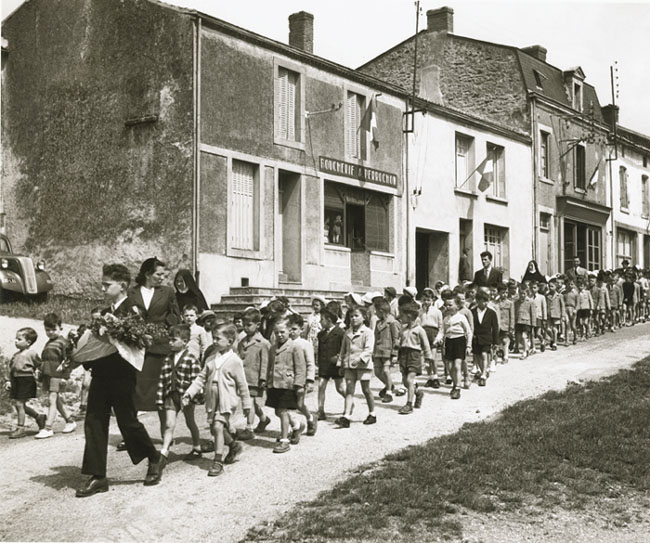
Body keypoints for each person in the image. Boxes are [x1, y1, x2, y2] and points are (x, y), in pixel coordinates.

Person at [74, 264, 163, 497]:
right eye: (102, 284)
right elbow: (98, 344)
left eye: (106, 285)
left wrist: (112, 330)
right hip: (101, 374)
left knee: (127, 422)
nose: (102, 288)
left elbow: (138, 342)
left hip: (122, 376)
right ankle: (98, 476)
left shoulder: (132, 310)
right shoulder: (104, 313)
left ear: (122, 286)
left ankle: (154, 457)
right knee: (93, 422)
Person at [183, 323, 250, 476]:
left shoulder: (234, 361)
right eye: (213, 338)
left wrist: (246, 404)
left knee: (218, 427)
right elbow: (201, 378)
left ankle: (217, 461)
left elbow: (242, 384)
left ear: (230, 341)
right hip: (212, 399)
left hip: (227, 400)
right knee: (214, 427)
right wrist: (189, 393)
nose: (214, 341)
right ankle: (233, 445)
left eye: (218, 338)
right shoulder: (211, 359)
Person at [129, 257, 180, 437]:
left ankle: (165, 434)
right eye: (158, 274)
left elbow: (175, 317)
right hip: (138, 348)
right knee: (135, 392)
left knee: (162, 392)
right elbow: (126, 317)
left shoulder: (167, 292)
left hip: (160, 348)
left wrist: (164, 331)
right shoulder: (132, 293)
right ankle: (131, 436)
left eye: (163, 275)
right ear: (147, 274)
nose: (162, 278)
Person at [156, 324, 203, 465]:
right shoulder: (166, 359)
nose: (170, 343)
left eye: (173, 340)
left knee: (190, 422)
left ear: (185, 341)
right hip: (171, 396)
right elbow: (162, 380)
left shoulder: (191, 359)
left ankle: (197, 447)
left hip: (185, 396)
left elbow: (197, 381)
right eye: (169, 339)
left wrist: (191, 397)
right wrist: (159, 399)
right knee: (169, 424)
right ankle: (164, 452)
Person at [265, 319, 306, 453]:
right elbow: (270, 366)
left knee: (283, 411)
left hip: (287, 384)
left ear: (289, 331)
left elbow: (300, 367)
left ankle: (284, 440)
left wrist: (299, 384)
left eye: (282, 332)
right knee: (277, 411)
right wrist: (266, 381)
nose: (280, 335)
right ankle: (296, 425)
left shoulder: (295, 347)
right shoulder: (272, 347)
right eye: (276, 333)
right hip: (274, 384)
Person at [36, 313, 76, 439]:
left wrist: (65, 376)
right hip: (48, 374)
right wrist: (41, 372)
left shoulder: (64, 343)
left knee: (52, 400)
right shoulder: (49, 343)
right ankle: (70, 421)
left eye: (54, 329)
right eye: (48, 330)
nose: (51, 332)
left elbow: (69, 360)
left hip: (57, 375)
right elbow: (46, 360)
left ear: (60, 328)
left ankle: (48, 428)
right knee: (56, 401)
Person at [335, 307, 376, 428]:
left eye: (356, 316)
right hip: (349, 365)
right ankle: (346, 416)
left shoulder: (368, 332)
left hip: (363, 365)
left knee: (366, 390)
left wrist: (360, 358)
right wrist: (341, 363)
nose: (353, 318)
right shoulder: (347, 332)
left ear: (364, 318)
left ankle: (372, 413)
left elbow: (369, 349)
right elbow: (343, 349)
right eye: (351, 316)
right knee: (349, 390)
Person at [4, 328, 46, 439]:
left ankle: (20, 428)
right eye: (15, 338)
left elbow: (40, 365)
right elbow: (10, 368)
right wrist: (8, 380)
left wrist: (41, 375)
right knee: (19, 404)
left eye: (19, 339)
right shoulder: (15, 355)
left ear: (28, 342)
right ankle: (38, 417)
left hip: (26, 380)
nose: (15, 341)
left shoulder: (31, 353)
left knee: (19, 403)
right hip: (16, 380)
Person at [237, 309, 272, 440]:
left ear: (257, 325)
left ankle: (249, 428)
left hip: (255, 378)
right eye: (244, 325)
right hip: (243, 377)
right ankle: (263, 419)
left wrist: (263, 378)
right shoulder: (242, 342)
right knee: (254, 404)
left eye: (249, 325)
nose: (245, 328)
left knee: (250, 402)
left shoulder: (263, 343)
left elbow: (265, 362)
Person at [434, 296, 472, 400]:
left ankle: (458, 388)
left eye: (450, 305)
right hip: (449, 342)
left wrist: (469, 345)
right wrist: (437, 339)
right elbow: (442, 331)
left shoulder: (461, 317)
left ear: (457, 306)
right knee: (449, 366)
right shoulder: (445, 318)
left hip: (459, 341)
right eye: (446, 305)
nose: (448, 307)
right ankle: (455, 384)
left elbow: (468, 332)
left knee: (457, 365)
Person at [396, 302, 431, 414]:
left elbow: (426, 345)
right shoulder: (403, 329)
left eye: (402, 315)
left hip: (414, 355)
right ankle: (418, 393)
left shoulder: (420, 330)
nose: (400, 317)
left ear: (409, 316)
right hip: (403, 355)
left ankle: (409, 404)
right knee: (405, 381)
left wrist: (427, 358)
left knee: (410, 380)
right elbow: (399, 342)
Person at [287, 314, 317, 436]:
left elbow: (310, 363)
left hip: (301, 379)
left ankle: (310, 418)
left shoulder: (304, 344)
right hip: (287, 379)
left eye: (294, 329)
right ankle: (293, 428)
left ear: (301, 329)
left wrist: (310, 380)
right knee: (286, 405)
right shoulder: (285, 343)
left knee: (299, 404)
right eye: (289, 329)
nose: (291, 332)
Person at [316, 309, 346, 419]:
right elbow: (319, 350)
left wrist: (339, 359)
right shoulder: (321, 334)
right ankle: (320, 410)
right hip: (324, 365)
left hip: (335, 365)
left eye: (322, 320)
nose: (320, 322)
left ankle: (349, 402)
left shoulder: (340, 333)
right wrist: (318, 362)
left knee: (340, 388)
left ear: (329, 320)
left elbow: (344, 349)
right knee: (321, 386)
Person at [373, 299, 401, 404]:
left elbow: (396, 339)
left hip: (387, 351)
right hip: (378, 351)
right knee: (377, 372)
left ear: (381, 311)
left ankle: (389, 392)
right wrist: (373, 351)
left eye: (376, 310)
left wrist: (395, 354)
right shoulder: (377, 323)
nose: (375, 313)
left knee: (385, 370)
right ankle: (390, 385)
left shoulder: (392, 322)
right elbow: (375, 337)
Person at [471, 290, 500, 387]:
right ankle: (483, 369)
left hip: (486, 337)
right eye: (483, 301)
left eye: (487, 301)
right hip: (476, 338)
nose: (486, 303)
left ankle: (483, 375)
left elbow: (495, 328)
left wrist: (495, 341)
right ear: (477, 301)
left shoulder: (491, 313)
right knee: (477, 355)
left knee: (484, 354)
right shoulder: (472, 312)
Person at [419, 288, 443, 388]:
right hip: (424, 334)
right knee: (427, 358)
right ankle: (430, 377)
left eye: (428, 300)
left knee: (433, 358)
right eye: (424, 299)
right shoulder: (420, 311)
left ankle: (436, 377)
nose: (426, 302)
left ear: (432, 300)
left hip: (433, 335)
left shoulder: (437, 312)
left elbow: (441, 327)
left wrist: (438, 338)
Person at [515, 284, 536, 359]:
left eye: (524, 293)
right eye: (521, 293)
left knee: (524, 336)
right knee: (519, 337)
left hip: (527, 322)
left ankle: (524, 352)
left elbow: (533, 313)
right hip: (518, 321)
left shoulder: (530, 301)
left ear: (527, 293)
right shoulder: (516, 302)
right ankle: (526, 347)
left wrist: (533, 324)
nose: (522, 295)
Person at [496, 283, 515, 363]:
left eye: (506, 293)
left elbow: (512, 315)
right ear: (499, 293)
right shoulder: (496, 303)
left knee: (505, 340)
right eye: (503, 292)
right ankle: (499, 353)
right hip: (497, 325)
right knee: (498, 340)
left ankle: (506, 356)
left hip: (506, 325)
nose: (505, 294)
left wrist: (511, 326)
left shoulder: (510, 303)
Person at [546, 279, 565, 350]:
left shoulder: (559, 296)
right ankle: (552, 338)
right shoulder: (547, 295)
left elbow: (562, 306)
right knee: (547, 329)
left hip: (556, 314)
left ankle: (554, 343)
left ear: (556, 286)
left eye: (552, 286)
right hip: (548, 314)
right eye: (549, 286)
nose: (550, 288)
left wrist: (563, 315)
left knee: (554, 328)